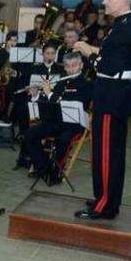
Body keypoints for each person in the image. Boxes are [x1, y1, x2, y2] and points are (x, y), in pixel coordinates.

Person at [73, 0, 131, 219]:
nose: (105, 2)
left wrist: (88, 54)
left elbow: (108, 65)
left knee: (106, 153)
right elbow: (114, 55)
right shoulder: (128, 25)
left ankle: (105, 205)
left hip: (111, 95)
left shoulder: (126, 28)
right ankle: (106, 197)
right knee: (111, 151)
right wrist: (92, 48)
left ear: (123, 0)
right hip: (117, 93)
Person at [23, 52, 93, 183]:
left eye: (74, 65)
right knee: (30, 134)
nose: (70, 69)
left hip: (74, 124)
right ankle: (44, 167)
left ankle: (56, 172)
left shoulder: (86, 84)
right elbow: (50, 105)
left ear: (81, 66)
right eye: (67, 66)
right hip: (55, 121)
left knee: (64, 139)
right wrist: (36, 95)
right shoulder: (62, 82)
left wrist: (50, 94)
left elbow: (72, 103)